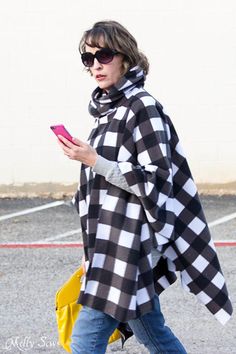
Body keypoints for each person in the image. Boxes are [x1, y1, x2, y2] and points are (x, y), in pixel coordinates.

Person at [57, 20, 233, 354]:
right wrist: (89, 252)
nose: (95, 64)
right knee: (154, 334)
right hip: (111, 243)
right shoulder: (108, 110)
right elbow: (100, 193)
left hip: (132, 244)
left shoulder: (143, 107)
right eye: (88, 58)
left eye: (104, 55)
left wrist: (95, 160)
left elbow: (155, 180)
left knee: (85, 338)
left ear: (125, 57)